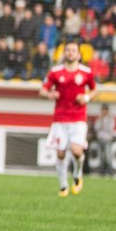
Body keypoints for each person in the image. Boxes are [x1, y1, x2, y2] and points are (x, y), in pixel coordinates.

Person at [40, 42, 96, 196]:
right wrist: (50, 94)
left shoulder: (86, 72)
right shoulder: (55, 72)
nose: (71, 53)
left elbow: (94, 90)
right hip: (60, 118)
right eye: (68, 50)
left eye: (73, 50)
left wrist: (86, 98)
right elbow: (42, 91)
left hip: (78, 117)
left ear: (79, 54)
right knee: (60, 153)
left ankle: (77, 174)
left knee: (77, 151)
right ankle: (63, 186)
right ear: (64, 53)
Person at [92, 103, 116, 176]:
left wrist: (103, 125)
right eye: (103, 109)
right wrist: (101, 120)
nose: (104, 111)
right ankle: (101, 171)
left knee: (108, 155)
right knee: (101, 156)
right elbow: (96, 128)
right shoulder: (99, 119)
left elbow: (110, 129)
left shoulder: (110, 119)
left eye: (105, 110)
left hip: (107, 139)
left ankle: (110, 170)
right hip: (100, 139)